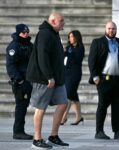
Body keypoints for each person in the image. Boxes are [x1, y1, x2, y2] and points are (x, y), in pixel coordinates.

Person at [26, 12, 69, 149]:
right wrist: (48, 76)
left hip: (57, 79)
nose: (63, 23)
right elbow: (42, 57)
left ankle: (53, 136)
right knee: (41, 107)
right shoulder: (44, 33)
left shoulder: (54, 34)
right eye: (61, 21)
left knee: (63, 103)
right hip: (44, 78)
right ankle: (36, 139)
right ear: (53, 21)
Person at [88, 21, 119, 140]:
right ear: (105, 29)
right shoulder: (97, 42)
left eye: (113, 29)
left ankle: (117, 131)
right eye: (109, 28)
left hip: (118, 80)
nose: (111, 31)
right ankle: (99, 131)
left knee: (117, 106)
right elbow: (91, 61)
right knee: (102, 105)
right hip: (104, 80)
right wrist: (95, 77)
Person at [6, 23, 33, 140]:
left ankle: (20, 130)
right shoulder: (14, 46)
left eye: (27, 32)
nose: (26, 34)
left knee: (24, 106)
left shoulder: (29, 45)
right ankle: (18, 131)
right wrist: (19, 80)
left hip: (28, 80)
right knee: (21, 106)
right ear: (18, 33)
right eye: (23, 33)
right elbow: (11, 65)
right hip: (20, 82)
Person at [60, 30, 85, 126]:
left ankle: (63, 117)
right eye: (69, 36)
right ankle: (79, 117)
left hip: (75, 74)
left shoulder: (80, 48)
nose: (70, 38)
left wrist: (66, 53)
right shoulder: (68, 47)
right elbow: (64, 59)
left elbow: (77, 59)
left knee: (68, 95)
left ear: (76, 37)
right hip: (66, 73)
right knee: (73, 95)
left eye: (72, 36)